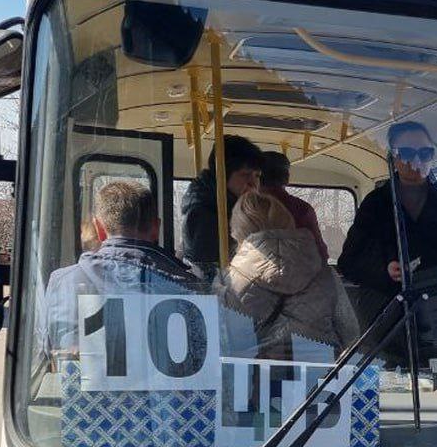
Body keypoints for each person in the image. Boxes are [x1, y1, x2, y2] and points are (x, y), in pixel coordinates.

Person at [336, 121, 437, 351]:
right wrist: (385, 268)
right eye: (407, 153)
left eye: (425, 153)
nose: (417, 161)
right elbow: (349, 261)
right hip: (384, 311)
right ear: (393, 158)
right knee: (389, 379)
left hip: (436, 310)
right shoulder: (375, 205)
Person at [38, 181, 203, 357]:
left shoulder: (62, 283)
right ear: (156, 228)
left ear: (99, 229)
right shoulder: (192, 288)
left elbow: (51, 354)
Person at [217, 190, 359, 361]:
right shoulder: (326, 275)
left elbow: (221, 346)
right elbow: (351, 335)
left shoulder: (227, 282)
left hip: (251, 382)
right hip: (321, 381)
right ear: (288, 223)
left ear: (237, 234)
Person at [180, 134, 264, 276]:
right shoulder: (208, 215)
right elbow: (210, 276)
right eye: (245, 174)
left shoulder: (227, 206)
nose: (253, 183)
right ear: (222, 175)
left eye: (257, 176)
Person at [260, 151, 331, 263]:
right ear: (287, 178)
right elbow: (320, 253)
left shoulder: (243, 207)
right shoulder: (302, 209)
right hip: (297, 276)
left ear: (257, 176)